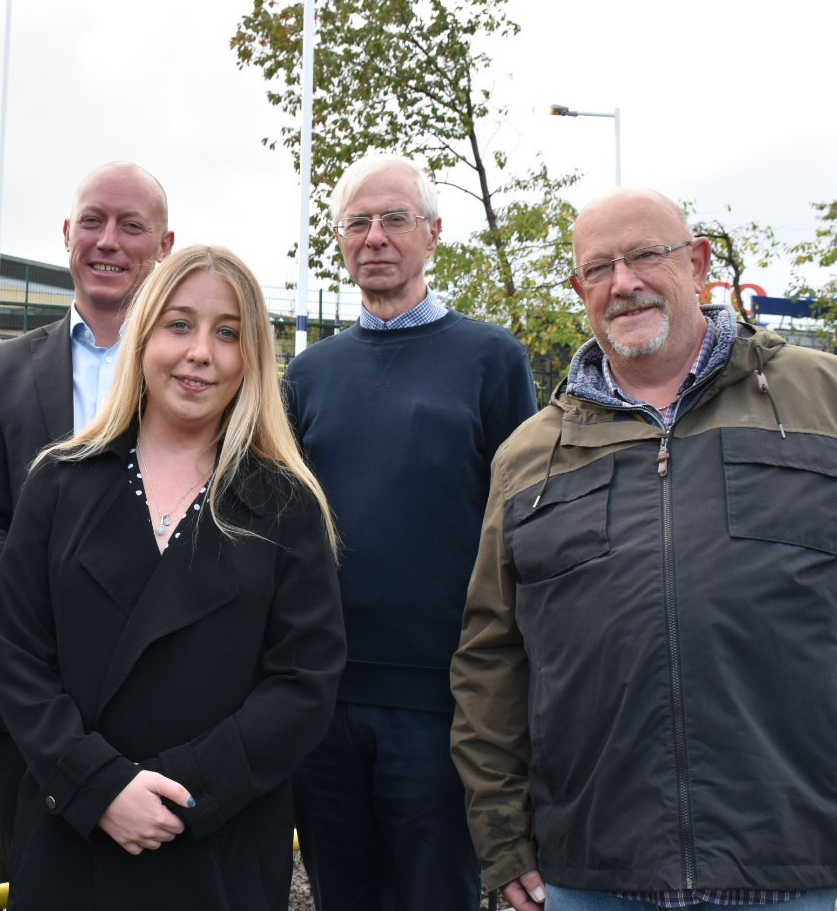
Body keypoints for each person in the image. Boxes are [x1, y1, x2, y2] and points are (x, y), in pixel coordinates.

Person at [450, 186, 837, 911]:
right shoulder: (530, 457)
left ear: (700, 264)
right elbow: (492, 656)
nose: (624, 283)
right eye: (599, 268)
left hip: (784, 848)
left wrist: (796, 678)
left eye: (646, 255)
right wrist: (502, 836)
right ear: (579, 289)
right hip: (593, 857)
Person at [0, 245, 345, 909]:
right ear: (143, 335)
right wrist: (100, 785)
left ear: (252, 358)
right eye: (180, 324)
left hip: (217, 848)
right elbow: (18, 657)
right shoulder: (60, 482)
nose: (201, 351)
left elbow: (305, 680)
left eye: (227, 332)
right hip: (76, 837)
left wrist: (183, 789)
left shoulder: (287, 503)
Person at [285, 152, 538, 910]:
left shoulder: (492, 359)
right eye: (356, 222)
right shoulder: (308, 375)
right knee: (343, 894)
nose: (374, 236)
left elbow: (520, 522)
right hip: (324, 698)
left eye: (394, 218)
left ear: (433, 232)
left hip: (444, 702)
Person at [0, 161, 174, 878]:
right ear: (68, 234)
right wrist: (37, 628)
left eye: (131, 225)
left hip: (171, 692)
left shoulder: (202, 369)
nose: (109, 241)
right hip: (30, 696)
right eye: (94, 222)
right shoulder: (2, 367)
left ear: (165, 246)